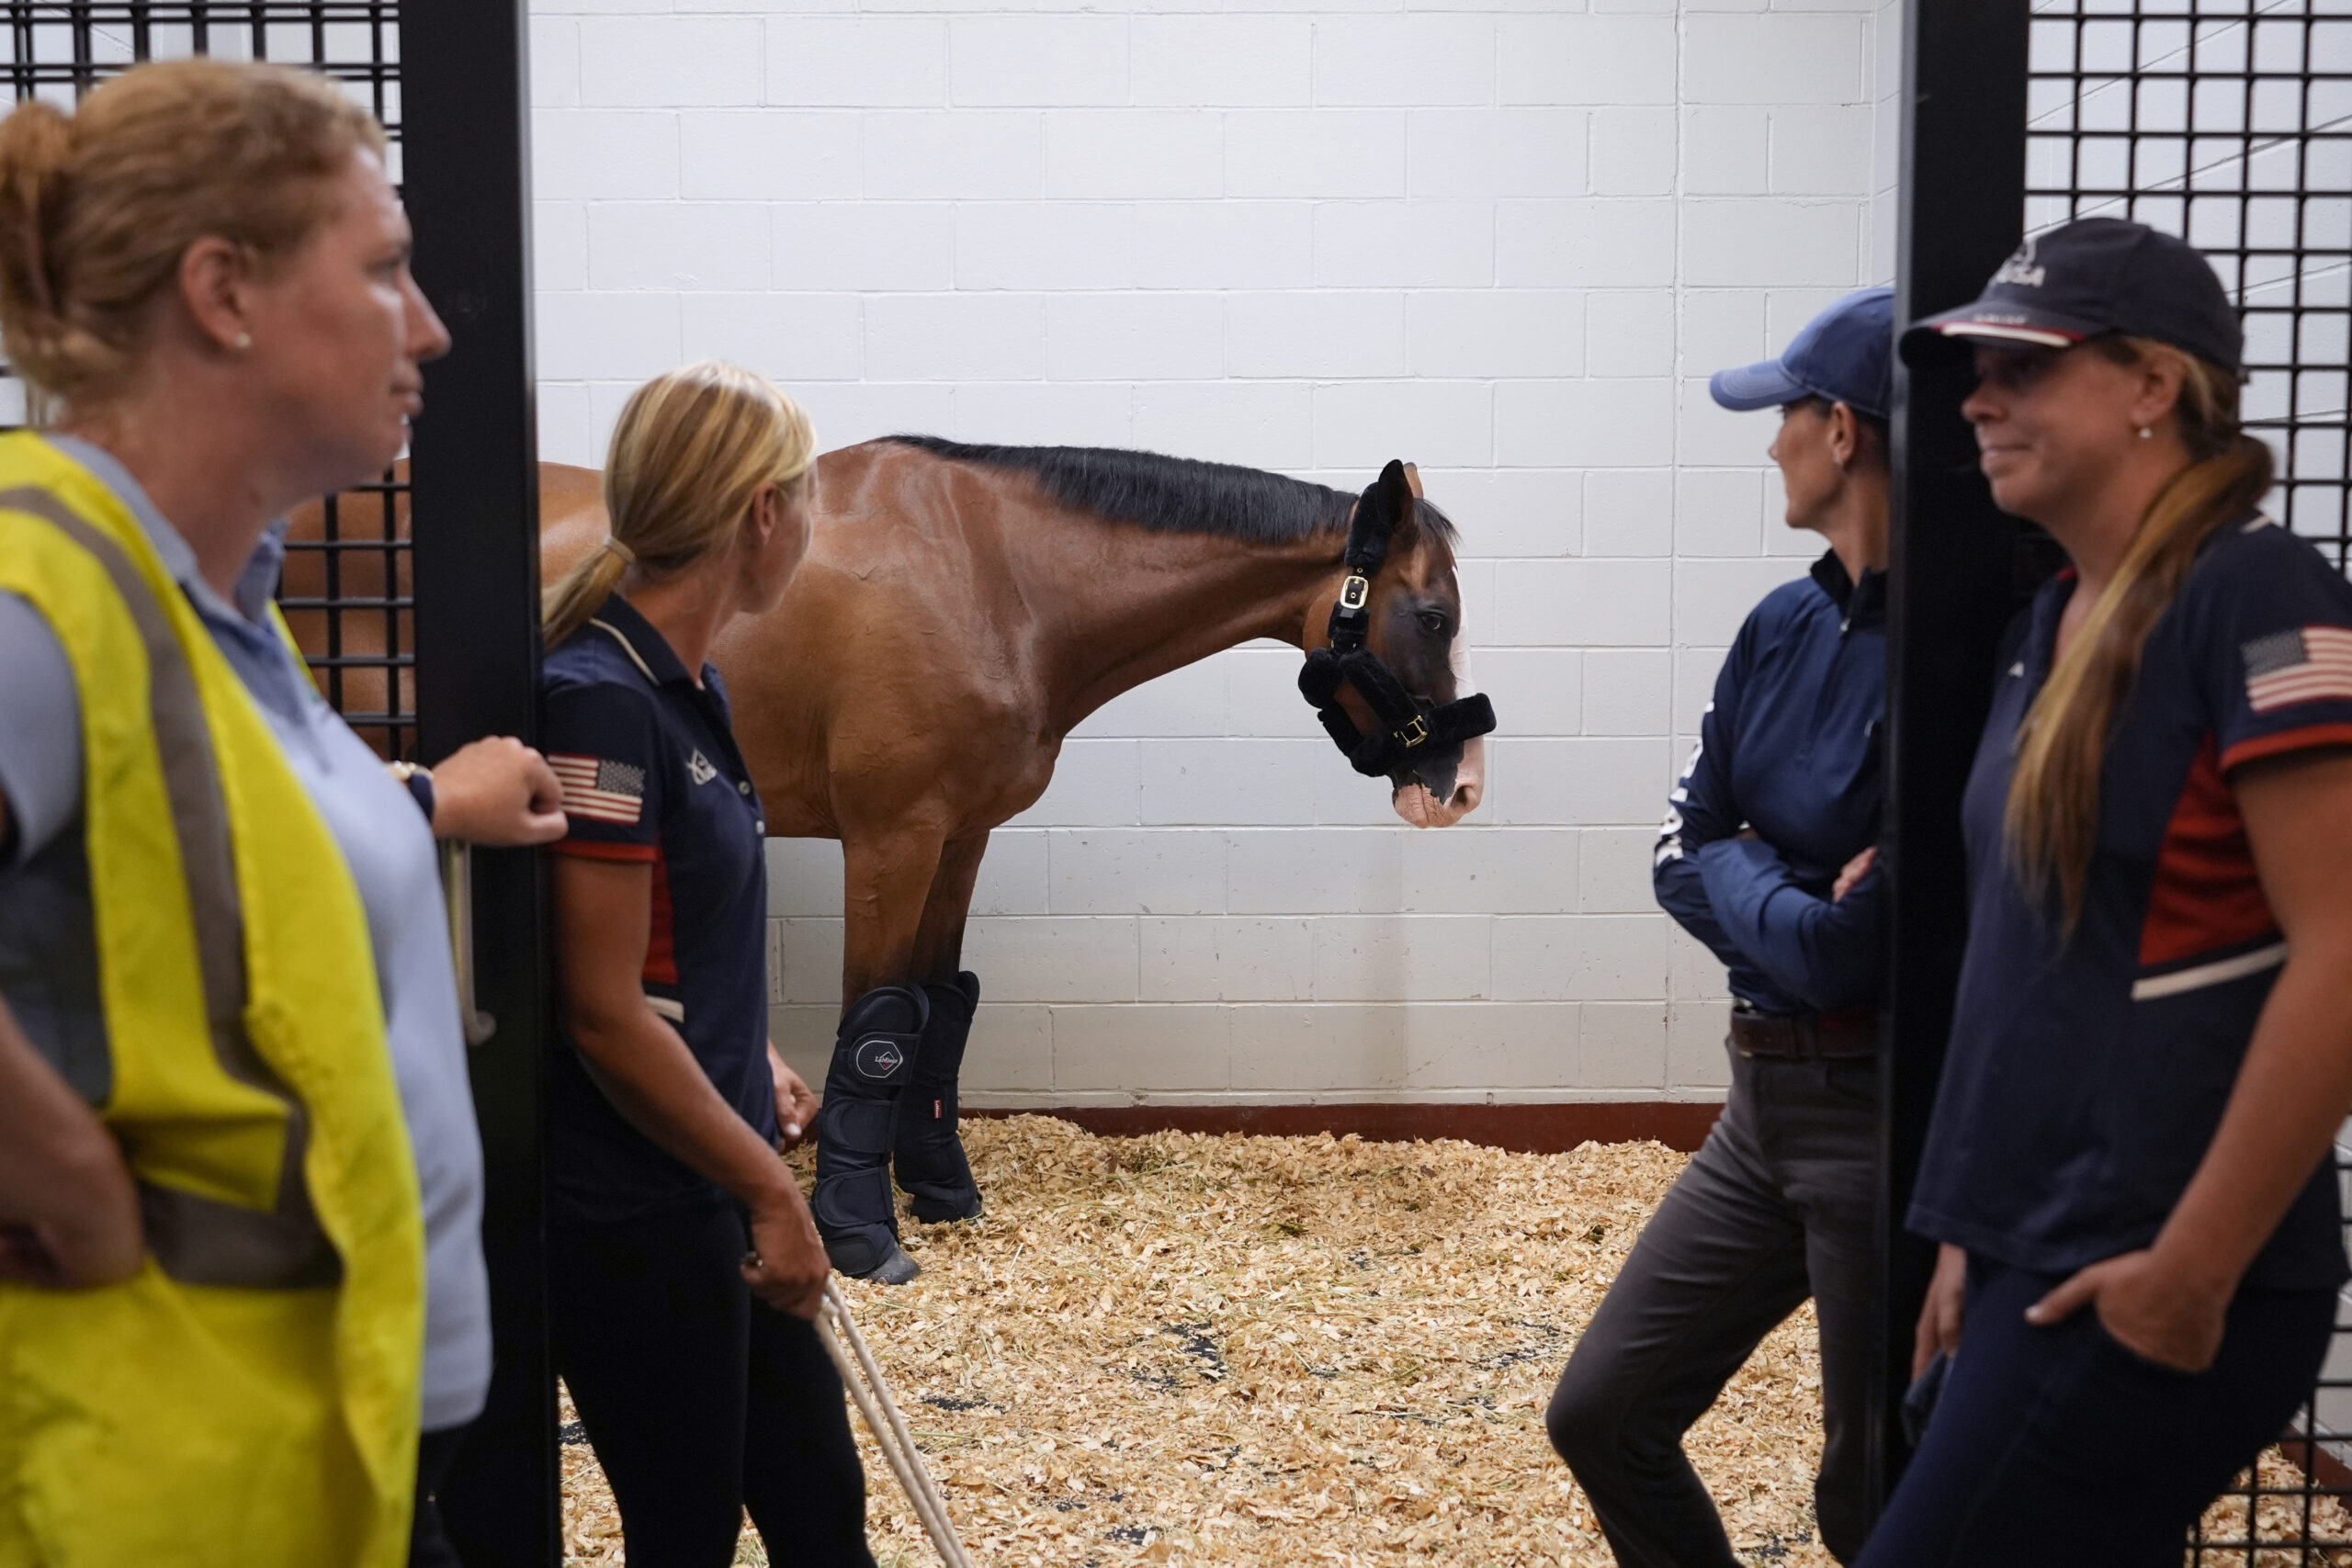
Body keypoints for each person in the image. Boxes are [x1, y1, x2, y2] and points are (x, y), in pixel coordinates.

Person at [0, 59, 565, 1568]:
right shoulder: (36, 587)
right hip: (161, 1453)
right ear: (222, 292)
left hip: (325, 1425)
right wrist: (68, 1185)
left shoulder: (217, 608)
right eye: (384, 271)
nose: (432, 327)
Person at [1856, 218, 2352, 1562]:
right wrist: (1970, 1238)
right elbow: (2035, 965)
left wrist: (2192, 1272)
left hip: (2147, 1264)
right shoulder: (2056, 621)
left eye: (2025, 366)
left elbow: (2345, 949)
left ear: (2154, 387)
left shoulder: (2255, 594)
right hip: (2031, 1244)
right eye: (1976, 370)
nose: (1980, 400)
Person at [1546, 288, 1894, 1566]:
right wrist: (1786, 891)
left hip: (1884, 1121)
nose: (1770, 444)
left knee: (1871, 1493)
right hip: (1762, 1105)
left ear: (1842, 431)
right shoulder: (1783, 624)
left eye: (1785, 416)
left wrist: (1753, 874)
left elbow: (1847, 950)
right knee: (1603, 1412)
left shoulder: (1959, 650)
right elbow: (1680, 855)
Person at [539, 360, 874, 1567]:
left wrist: (756, 1054)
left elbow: (678, 942)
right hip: (645, 1201)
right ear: (762, 516)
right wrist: (777, 1193)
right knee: (684, 1534)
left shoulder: (689, 687)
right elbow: (601, 1007)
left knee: (820, 1513)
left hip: (713, 1160)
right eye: (810, 500)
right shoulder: (598, 704)